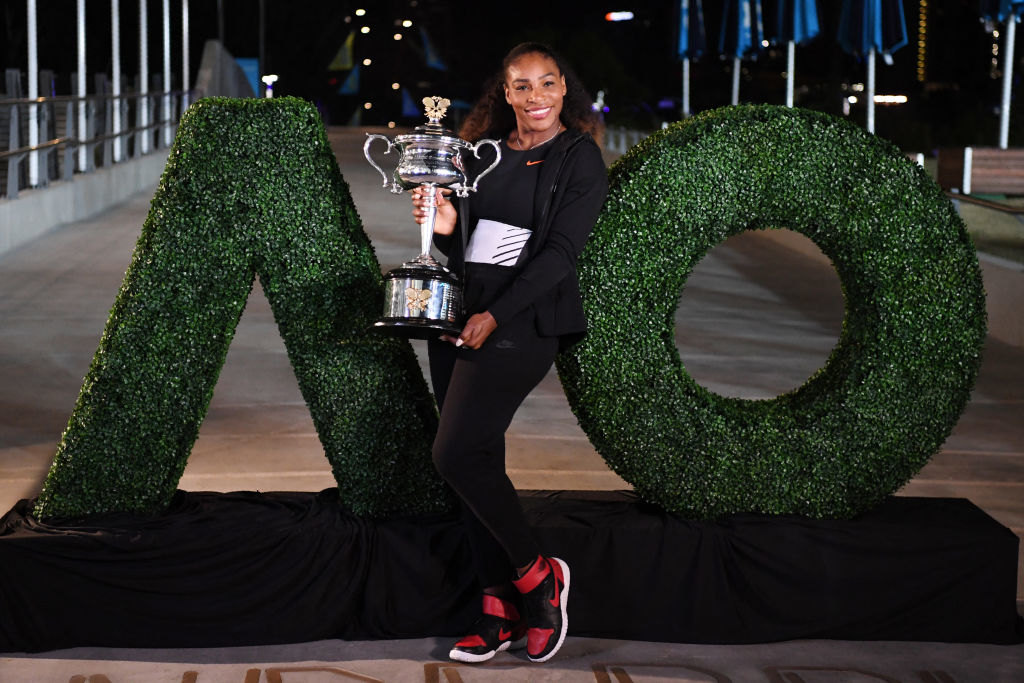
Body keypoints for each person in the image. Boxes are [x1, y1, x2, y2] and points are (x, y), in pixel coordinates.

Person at [409, 42, 608, 664]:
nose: (536, 97)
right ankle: (497, 607)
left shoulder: (579, 158)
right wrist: (439, 223)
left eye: (547, 83)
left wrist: (495, 315)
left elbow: (559, 257)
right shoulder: (482, 156)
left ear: (563, 90)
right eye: (522, 86)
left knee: (455, 453)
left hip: (522, 321)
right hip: (463, 319)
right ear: (505, 94)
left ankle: (538, 578)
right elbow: (463, 246)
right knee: (476, 462)